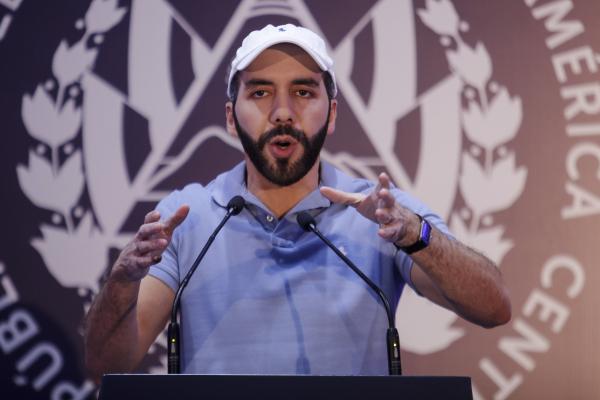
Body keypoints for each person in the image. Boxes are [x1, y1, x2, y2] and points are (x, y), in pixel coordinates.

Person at [84, 24, 510, 381]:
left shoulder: (380, 212)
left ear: (334, 112)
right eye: (261, 93)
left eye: (304, 93)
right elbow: (106, 366)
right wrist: (122, 282)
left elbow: (493, 307)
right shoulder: (188, 216)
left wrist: (418, 235)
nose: (283, 112)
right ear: (232, 117)